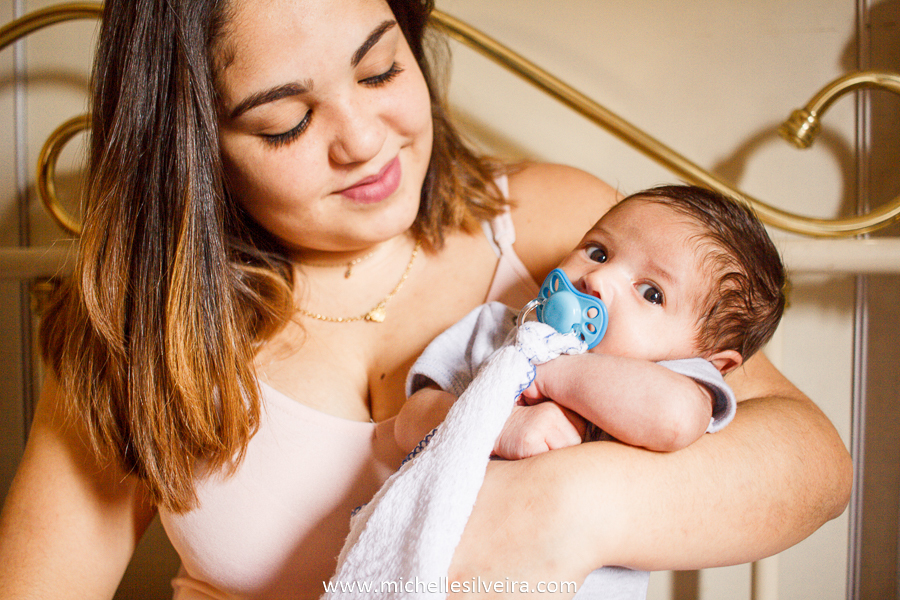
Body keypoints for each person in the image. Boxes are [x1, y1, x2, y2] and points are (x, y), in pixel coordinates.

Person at [0, 1, 850, 599]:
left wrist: (565, 507)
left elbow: (810, 459)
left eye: (379, 69)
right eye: (284, 122)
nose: (366, 141)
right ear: (189, 147)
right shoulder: (135, 325)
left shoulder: (575, 238)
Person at [395, 185, 785, 462]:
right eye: (598, 252)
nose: (598, 279)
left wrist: (552, 372)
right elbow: (411, 419)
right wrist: (497, 424)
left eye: (651, 293)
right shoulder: (499, 328)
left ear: (710, 362)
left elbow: (675, 420)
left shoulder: (674, 376)